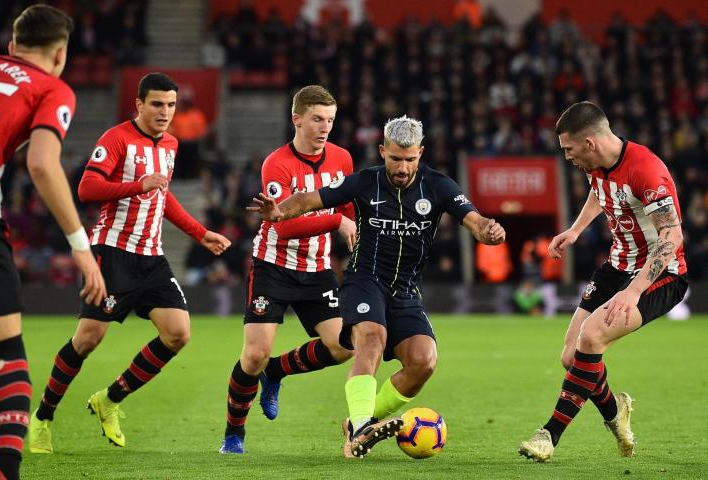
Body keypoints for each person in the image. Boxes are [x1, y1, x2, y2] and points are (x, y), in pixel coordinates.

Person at [249, 115, 506, 457]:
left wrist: (489, 231)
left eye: (410, 159)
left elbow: (474, 220)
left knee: (423, 362)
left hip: (406, 290)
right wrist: (278, 213)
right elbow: (309, 199)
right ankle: (360, 428)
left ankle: (359, 420)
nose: (402, 167)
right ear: (382, 151)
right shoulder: (364, 182)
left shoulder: (440, 186)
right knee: (371, 338)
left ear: (421, 153)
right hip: (363, 281)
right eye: (396, 158)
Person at [27, 72, 231, 453]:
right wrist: (138, 184)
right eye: (157, 104)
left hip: (151, 256)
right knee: (88, 339)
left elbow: (162, 196)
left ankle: (110, 398)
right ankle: (43, 417)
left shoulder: (171, 143)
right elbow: (88, 188)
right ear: (138, 104)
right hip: (112, 252)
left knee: (178, 333)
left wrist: (200, 233)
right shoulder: (116, 138)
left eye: (171, 105)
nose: (165, 112)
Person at [518, 101, 688, 462]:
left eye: (568, 149)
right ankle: (616, 415)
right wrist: (576, 230)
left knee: (592, 337)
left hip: (661, 275)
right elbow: (602, 193)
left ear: (590, 143)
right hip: (616, 266)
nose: (567, 157)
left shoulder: (646, 170)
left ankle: (549, 435)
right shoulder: (597, 163)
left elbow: (672, 236)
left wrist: (634, 291)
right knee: (570, 357)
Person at [0, 5, 107, 479]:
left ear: (12, 46)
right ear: (60, 54)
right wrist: (79, 244)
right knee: (7, 351)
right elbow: (42, 164)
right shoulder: (51, 87)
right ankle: (5, 474)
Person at [219, 85, 356, 454]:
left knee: (344, 346)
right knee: (253, 356)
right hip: (274, 268)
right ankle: (234, 434)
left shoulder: (342, 159)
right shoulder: (277, 164)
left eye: (329, 120)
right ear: (297, 119)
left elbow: (347, 208)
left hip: (317, 269)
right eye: (316, 119)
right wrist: (336, 224)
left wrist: (352, 227)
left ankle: (277, 371)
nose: (324, 127)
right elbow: (284, 224)